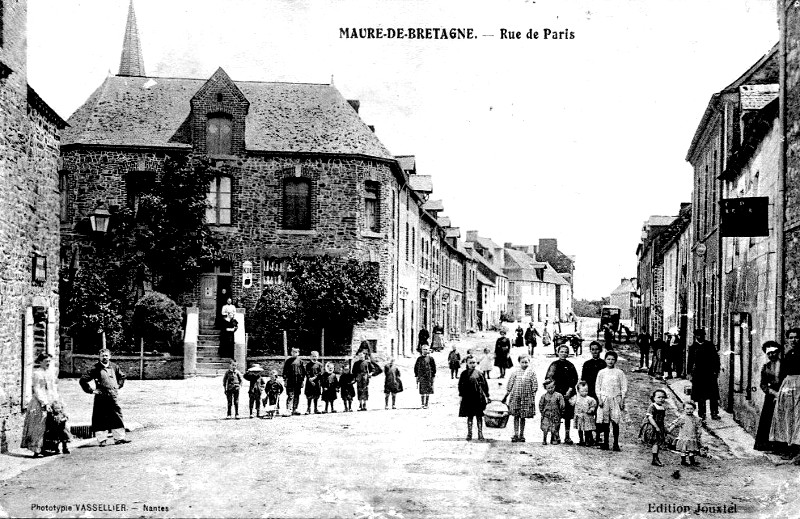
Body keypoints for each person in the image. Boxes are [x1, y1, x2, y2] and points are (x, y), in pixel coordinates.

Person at [79, 349, 131, 445]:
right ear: (99, 357)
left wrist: (118, 386)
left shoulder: (115, 367)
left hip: (113, 396)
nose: (104, 357)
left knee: (117, 416)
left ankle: (119, 438)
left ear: (110, 356)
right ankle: (102, 440)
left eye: (106, 355)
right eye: (102, 355)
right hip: (101, 397)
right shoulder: (95, 368)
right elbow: (83, 380)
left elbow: (122, 376)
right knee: (100, 417)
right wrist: (92, 391)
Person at [21, 353, 60, 457]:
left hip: (50, 400)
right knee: (39, 426)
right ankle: (36, 450)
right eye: (46, 361)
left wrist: (55, 400)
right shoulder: (37, 373)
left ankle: (48, 448)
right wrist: (44, 402)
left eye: (49, 361)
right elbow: (37, 389)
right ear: (40, 362)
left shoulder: (50, 373)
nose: (48, 363)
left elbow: (53, 388)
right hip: (39, 402)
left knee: (51, 425)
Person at [770, 327, 800, 459]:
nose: (794, 340)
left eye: (796, 337)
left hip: (799, 385)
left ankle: (796, 448)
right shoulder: (789, 353)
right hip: (788, 386)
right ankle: (789, 446)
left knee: (798, 416)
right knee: (788, 415)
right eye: (791, 337)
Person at [545, 344, 579, 445]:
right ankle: (556, 436)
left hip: (568, 393)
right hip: (557, 393)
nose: (563, 354)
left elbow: (574, 379)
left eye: (566, 352)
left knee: (568, 416)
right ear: (557, 353)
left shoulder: (570, 365)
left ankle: (567, 436)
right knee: (556, 415)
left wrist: (570, 390)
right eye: (561, 352)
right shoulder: (554, 365)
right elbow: (549, 378)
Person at [595, 350, 628, 451]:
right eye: (608, 359)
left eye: (613, 359)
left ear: (616, 361)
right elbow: (598, 387)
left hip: (615, 399)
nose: (610, 361)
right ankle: (605, 442)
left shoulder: (619, 373)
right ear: (605, 360)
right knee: (605, 422)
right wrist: (599, 399)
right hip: (604, 399)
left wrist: (622, 399)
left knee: (615, 421)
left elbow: (624, 387)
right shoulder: (602, 372)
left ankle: (616, 443)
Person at [502, 354, 538, 443]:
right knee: (516, 416)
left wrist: (532, 396)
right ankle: (515, 434)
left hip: (526, 398)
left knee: (523, 417)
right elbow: (510, 384)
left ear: (529, 362)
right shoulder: (515, 372)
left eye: (526, 362)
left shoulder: (531, 373)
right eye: (523, 362)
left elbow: (535, 385)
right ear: (519, 362)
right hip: (516, 397)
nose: (524, 364)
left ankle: (522, 434)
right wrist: (506, 396)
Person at [754, 341, 783, 451]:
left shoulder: (784, 365)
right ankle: (767, 444)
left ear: (778, 352)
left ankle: (781, 446)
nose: (771, 355)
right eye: (769, 353)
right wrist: (771, 392)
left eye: (774, 353)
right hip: (771, 397)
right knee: (768, 420)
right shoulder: (766, 367)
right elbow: (763, 384)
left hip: (784, 395)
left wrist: (781, 393)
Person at [686, 329, 720, 420]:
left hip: (710, 373)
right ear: (695, 336)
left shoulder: (709, 345)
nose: (700, 337)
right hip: (698, 374)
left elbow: (716, 358)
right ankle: (702, 414)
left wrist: (716, 371)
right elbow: (690, 361)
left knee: (713, 395)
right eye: (698, 335)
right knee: (701, 396)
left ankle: (714, 413)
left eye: (702, 335)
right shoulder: (693, 347)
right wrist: (689, 373)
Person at [458, 356, 489, 441]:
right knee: (470, 416)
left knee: (479, 416)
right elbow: (460, 385)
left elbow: (484, 385)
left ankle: (480, 433)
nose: (472, 364)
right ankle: (469, 433)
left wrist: (487, 395)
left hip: (478, 398)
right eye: (470, 363)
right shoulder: (463, 374)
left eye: (474, 362)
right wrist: (461, 395)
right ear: (467, 364)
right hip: (468, 398)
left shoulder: (479, 373)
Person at [668, 401, 704, 466]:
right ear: (684, 409)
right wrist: (669, 430)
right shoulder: (682, 418)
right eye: (687, 409)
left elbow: (699, 427)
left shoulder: (696, 419)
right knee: (683, 450)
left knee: (691, 450)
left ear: (694, 409)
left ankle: (692, 461)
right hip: (684, 436)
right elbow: (675, 424)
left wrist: (699, 433)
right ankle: (683, 461)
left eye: (691, 409)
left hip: (692, 436)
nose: (689, 410)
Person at [639, 389, 668, 466]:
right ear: (654, 398)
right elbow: (650, 417)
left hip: (659, 425)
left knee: (658, 442)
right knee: (656, 442)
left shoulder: (662, 407)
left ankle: (655, 458)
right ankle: (655, 458)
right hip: (652, 426)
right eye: (659, 397)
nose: (661, 399)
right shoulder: (652, 406)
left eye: (663, 397)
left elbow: (662, 419)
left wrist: (663, 427)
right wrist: (656, 427)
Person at [572, 381, 597, 447]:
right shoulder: (576, 398)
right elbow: (571, 403)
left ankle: (587, 440)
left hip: (587, 417)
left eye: (586, 391)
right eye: (582, 391)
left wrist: (591, 409)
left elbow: (593, 405)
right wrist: (568, 399)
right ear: (578, 391)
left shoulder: (589, 399)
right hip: (579, 416)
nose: (585, 392)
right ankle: (581, 440)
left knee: (587, 430)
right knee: (580, 429)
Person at [539, 380, 564, 445]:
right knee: (545, 427)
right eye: (548, 388)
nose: (550, 389)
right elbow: (541, 404)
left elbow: (562, 404)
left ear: (554, 386)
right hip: (546, 414)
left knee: (554, 427)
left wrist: (561, 410)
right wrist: (542, 412)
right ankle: (544, 439)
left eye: (552, 387)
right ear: (545, 388)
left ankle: (554, 438)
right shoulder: (544, 396)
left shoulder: (558, 395)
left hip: (555, 414)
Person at [282, 347, 305, 416]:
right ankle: (288, 410)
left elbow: (303, 372)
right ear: (291, 352)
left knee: (297, 395)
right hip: (290, 381)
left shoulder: (300, 361)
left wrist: (302, 381)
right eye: (293, 352)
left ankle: (295, 409)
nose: (294, 353)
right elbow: (285, 372)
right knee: (290, 395)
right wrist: (285, 380)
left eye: (296, 352)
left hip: (298, 381)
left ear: (298, 353)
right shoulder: (288, 361)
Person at [414, 345, 437, 409]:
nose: (425, 351)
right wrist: (416, 376)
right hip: (421, 376)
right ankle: (422, 403)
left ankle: (426, 404)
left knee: (428, 390)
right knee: (422, 390)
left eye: (427, 349)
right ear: (421, 350)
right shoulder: (419, 359)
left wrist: (433, 376)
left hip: (429, 376)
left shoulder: (431, 359)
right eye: (424, 349)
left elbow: (434, 368)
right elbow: (416, 368)